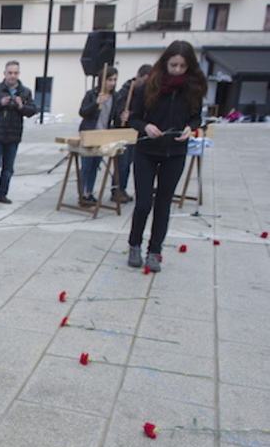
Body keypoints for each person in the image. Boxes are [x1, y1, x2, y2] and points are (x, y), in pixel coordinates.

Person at [125, 40, 206, 273]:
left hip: (175, 153)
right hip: (147, 152)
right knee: (143, 203)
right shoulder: (148, 86)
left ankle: (154, 250)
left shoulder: (193, 89)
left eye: (182, 66)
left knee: (163, 204)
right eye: (173, 65)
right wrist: (146, 127)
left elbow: (195, 117)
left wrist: (191, 128)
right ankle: (134, 245)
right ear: (165, 63)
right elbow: (134, 118)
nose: (177, 70)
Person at [0, 60, 37, 204]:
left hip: (13, 135)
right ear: (4, 73)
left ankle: (2, 194)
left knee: (8, 168)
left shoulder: (25, 92)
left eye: (15, 73)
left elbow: (32, 111)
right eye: (10, 73)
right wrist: (0, 103)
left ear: (19, 74)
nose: (12, 76)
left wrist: (21, 106)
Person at [77, 67, 118, 207]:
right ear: (103, 80)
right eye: (109, 80)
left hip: (103, 135)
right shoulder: (92, 94)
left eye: (114, 80)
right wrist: (96, 103)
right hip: (89, 133)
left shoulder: (115, 97)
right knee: (87, 165)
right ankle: (82, 193)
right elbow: (82, 112)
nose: (112, 83)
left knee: (95, 165)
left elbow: (114, 117)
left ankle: (89, 192)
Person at [111, 63, 152, 203]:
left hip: (134, 132)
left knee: (128, 163)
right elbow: (116, 113)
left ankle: (122, 190)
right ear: (138, 76)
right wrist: (121, 116)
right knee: (121, 164)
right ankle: (116, 191)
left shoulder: (143, 92)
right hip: (122, 132)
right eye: (145, 79)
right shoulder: (124, 92)